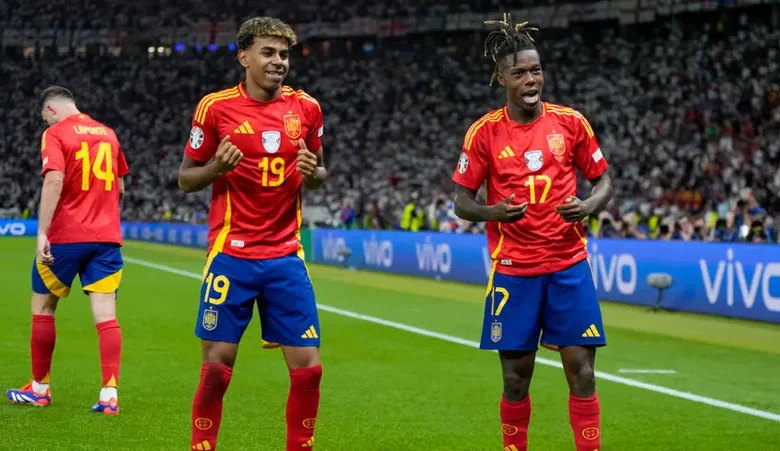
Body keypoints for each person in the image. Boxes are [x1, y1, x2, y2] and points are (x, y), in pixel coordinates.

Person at [451, 15, 614, 451]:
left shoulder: (571, 123)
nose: (531, 79)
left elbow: (603, 181)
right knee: (515, 380)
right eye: (520, 73)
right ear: (501, 78)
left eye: (536, 70)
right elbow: (461, 201)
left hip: (568, 266)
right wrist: (494, 212)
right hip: (514, 270)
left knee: (582, 373)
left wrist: (589, 205)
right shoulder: (484, 133)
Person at [178, 16, 327, 451]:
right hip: (232, 255)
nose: (278, 61)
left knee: (309, 370)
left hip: (285, 256)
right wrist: (216, 168)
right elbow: (186, 178)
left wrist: (313, 173)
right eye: (268, 52)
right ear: (244, 57)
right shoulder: (215, 108)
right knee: (216, 368)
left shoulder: (307, 108)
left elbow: (320, 171)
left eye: (284, 54)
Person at [6, 86, 129, 416]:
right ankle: (109, 395)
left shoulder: (56, 133)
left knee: (43, 307)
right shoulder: (108, 134)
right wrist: (101, 216)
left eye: (44, 117)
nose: (45, 123)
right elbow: (119, 188)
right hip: (106, 238)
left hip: (66, 236)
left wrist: (42, 232)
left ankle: (40, 389)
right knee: (106, 317)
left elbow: (54, 180)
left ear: (50, 108)